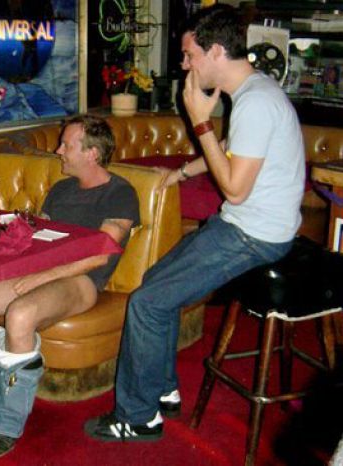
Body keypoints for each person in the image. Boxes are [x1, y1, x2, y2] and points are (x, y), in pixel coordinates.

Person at [85, 4, 305, 442]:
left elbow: (235, 190)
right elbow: (232, 147)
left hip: (254, 234)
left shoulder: (256, 102)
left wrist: (199, 119)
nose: (185, 65)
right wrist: (182, 173)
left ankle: (138, 417)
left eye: (190, 55)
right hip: (249, 225)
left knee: (147, 302)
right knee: (155, 281)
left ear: (217, 51)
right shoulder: (255, 91)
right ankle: (162, 388)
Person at [0, 115, 140, 458]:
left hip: (81, 282)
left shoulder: (120, 194)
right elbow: (37, 236)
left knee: (21, 314)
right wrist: (6, 233)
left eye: (67, 145)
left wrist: (41, 278)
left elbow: (99, 256)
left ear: (91, 153)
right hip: (39, 272)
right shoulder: (61, 189)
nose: (58, 150)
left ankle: (7, 421)